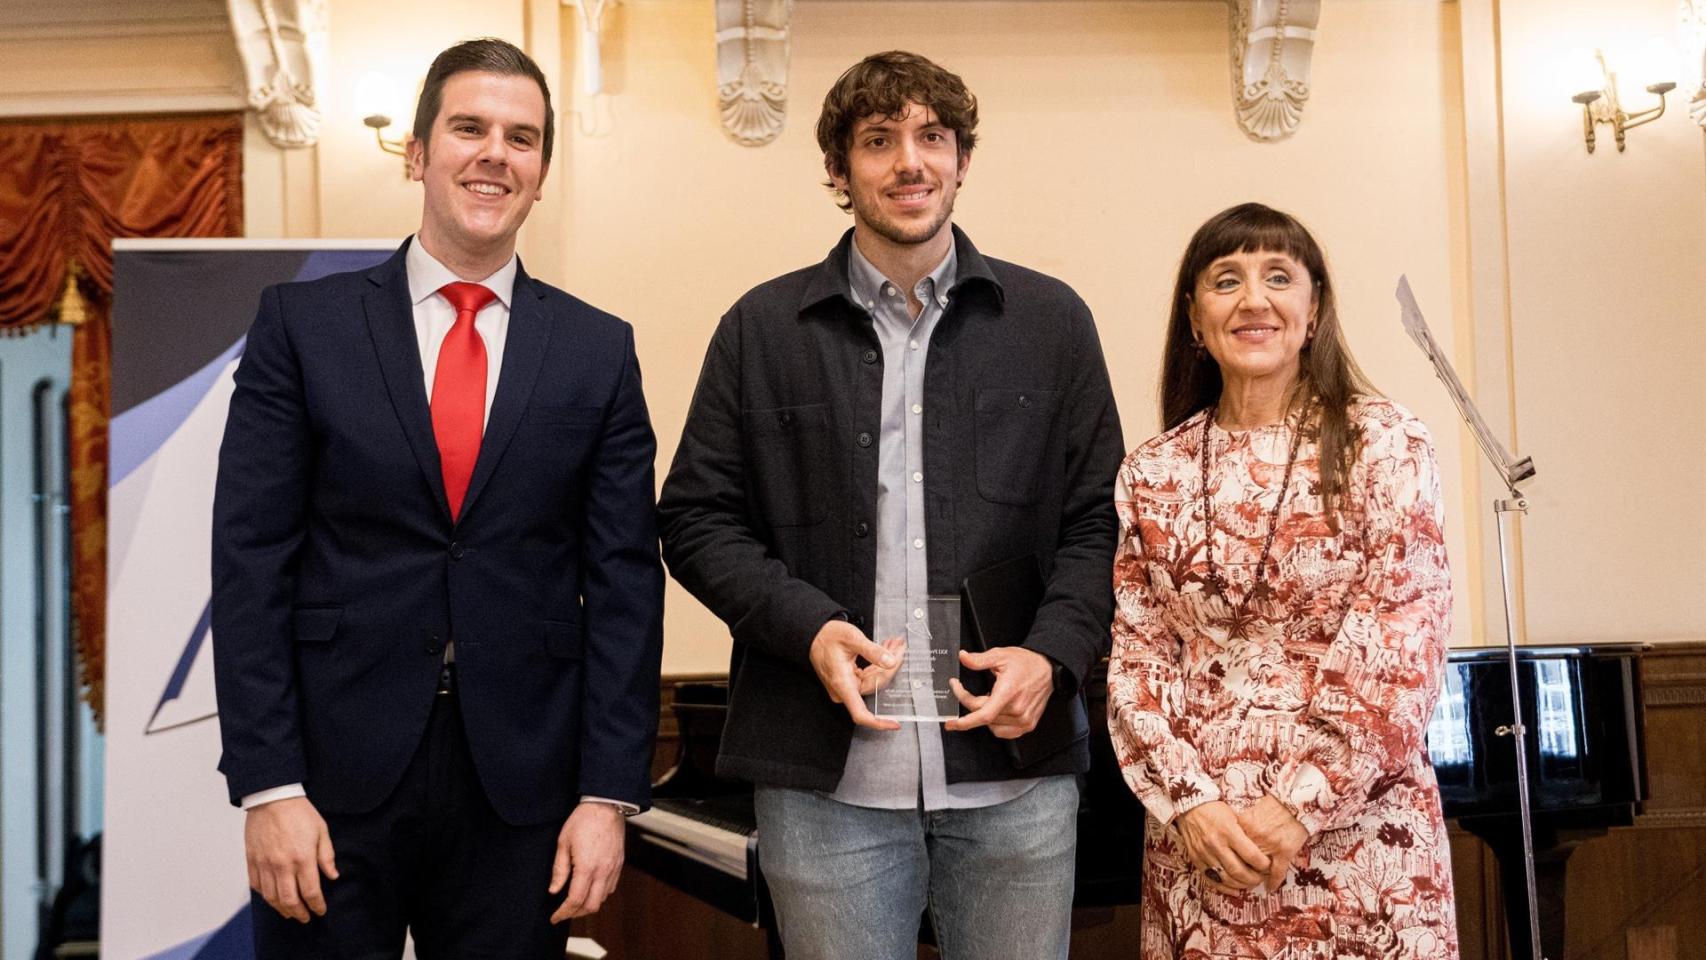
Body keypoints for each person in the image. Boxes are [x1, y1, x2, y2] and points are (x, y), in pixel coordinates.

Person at [657, 50, 1124, 960]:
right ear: (838, 169)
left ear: (962, 160)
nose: (910, 161)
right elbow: (696, 518)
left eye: (932, 137)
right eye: (879, 140)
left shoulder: (1052, 322)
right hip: (823, 784)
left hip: (1014, 776)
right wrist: (805, 628)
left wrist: (1053, 655)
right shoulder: (760, 330)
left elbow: (1099, 521)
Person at [211, 37, 664, 958]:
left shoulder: (599, 350)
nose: (495, 154)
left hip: (525, 788)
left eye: (522, 138)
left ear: (541, 175)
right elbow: (250, 562)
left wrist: (607, 795)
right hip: (329, 781)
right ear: (416, 154)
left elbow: (625, 582)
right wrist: (269, 786)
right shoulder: (301, 327)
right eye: (469, 128)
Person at [1107, 202, 1460, 958]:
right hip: (1200, 847)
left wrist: (1298, 806)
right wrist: (1191, 805)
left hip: (1359, 841)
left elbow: (1403, 643)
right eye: (1225, 280)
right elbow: (1137, 660)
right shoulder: (1152, 470)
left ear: (1314, 310)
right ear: (1194, 318)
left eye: (1277, 277)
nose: (1253, 300)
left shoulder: (1384, 442)